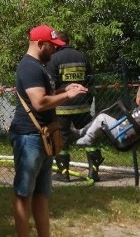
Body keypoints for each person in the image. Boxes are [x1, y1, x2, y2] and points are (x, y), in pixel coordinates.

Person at [10, 24, 89, 237]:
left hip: (44, 137)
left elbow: (47, 92)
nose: (55, 50)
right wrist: (67, 96)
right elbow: (40, 102)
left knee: (42, 195)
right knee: (23, 194)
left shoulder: (39, 66)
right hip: (29, 138)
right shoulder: (29, 68)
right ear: (40, 44)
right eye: (52, 46)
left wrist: (65, 88)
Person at [45, 31, 97, 181]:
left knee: (61, 140)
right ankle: (94, 172)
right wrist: (87, 100)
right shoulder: (81, 56)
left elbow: (50, 84)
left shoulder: (53, 59)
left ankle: (63, 173)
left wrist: (51, 103)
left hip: (62, 107)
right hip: (82, 106)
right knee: (89, 136)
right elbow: (90, 81)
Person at [73, 83, 140, 147]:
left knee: (101, 117)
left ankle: (88, 138)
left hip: (121, 134)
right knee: (100, 119)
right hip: (121, 129)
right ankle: (83, 131)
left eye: (137, 95)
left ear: (139, 100)